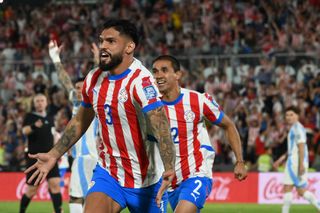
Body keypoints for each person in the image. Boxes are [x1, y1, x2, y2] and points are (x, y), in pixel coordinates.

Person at [25, 18, 175, 213]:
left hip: (147, 179)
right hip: (109, 174)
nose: (103, 46)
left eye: (111, 41)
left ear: (129, 47)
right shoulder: (94, 78)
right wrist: (54, 154)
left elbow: (161, 125)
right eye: (102, 40)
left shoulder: (142, 82)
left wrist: (170, 167)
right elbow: (81, 119)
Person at [152, 55, 247, 213]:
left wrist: (240, 161)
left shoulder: (197, 101)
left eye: (164, 70)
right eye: (155, 71)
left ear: (178, 75)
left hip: (196, 174)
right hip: (167, 181)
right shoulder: (150, 107)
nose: (158, 75)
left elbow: (228, 125)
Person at [49, 40, 100, 213]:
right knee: (81, 198)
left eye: (81, 87)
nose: (78, 90)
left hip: (93, 157)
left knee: (82, 198)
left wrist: (97, 60)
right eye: (76, 88)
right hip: (81, 157)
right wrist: (55, 58)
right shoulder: (77, 103)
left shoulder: (95, 100)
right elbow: (64, 80)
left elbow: (97, 77)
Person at [20, 94, 62, 213]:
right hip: (35, 158)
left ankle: (58, 210)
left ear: (46, 102)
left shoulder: (50, 117)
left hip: (50, 157)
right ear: (34, 103)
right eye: (37, 101)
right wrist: (34, 126)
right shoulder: (30, 117)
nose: (39, 103)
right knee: (32, 190)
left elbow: (53, 134)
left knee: (55, 184)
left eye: (42, 100)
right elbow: (24, 131)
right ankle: (21, 211)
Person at [274, 106, 320, 213]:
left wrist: (301, 165)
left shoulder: (298, 128)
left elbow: (301, 146)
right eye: (287, 115)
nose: (289, 117)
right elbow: (292, 149)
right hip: (294, 160)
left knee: (288, 188)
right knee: (300, 190)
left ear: (297, 116)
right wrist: (280, 160)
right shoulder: (293, 128)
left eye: (291, 115)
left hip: (296, 161)